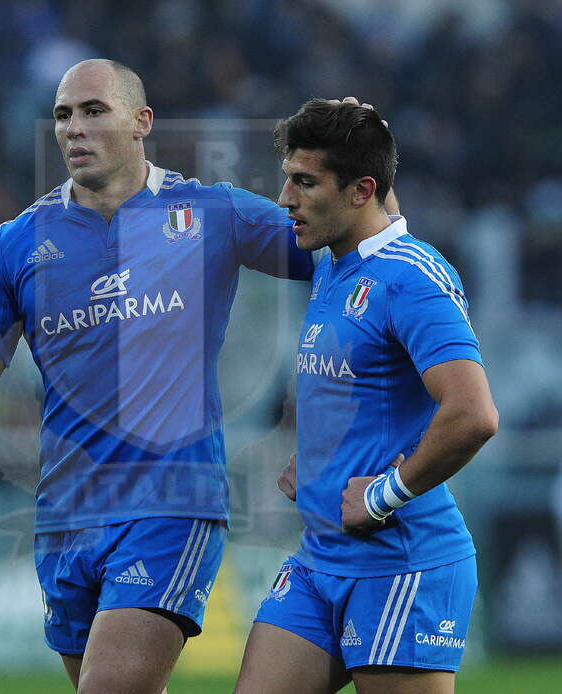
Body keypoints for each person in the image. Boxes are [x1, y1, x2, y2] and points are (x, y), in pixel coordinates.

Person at [0, 58, 331, 693]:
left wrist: (362, 161)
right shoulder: (18, 244)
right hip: (64, 517)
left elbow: (343, 246)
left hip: (171, 505)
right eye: (64, 114)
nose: (74, 127)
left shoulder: (209, 214)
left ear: (140, 122)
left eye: (94, 111)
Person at [233, 99, 499, 694]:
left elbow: (474, 415)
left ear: (360, 191)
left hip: (401, 561)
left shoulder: (413, 280)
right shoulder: (337, 264)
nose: (285, 199)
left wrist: (382, 494)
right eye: (287, 178)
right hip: (319, 558)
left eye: (305, 182)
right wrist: (321, 455)